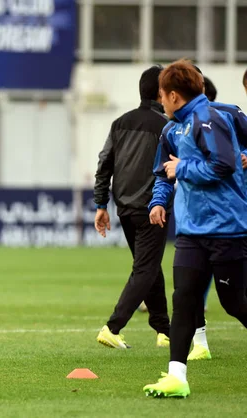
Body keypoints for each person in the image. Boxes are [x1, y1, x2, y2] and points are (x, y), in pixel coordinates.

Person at [143, 59, 247, 398]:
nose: (160, 102)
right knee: (184, 300)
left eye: (161, 95)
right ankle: (177, 378)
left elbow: (223, 165)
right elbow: (163, 172)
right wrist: (158, 201)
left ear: (173, 95)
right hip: (190, 232)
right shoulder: (171, 130)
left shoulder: (215, 117)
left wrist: (182, 168)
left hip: (227, 229)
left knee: (235, 303)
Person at [93, 64, 171, 350]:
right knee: (145, 269)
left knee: (149, 268)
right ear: (162, 92)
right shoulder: (167, 126)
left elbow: (104, 164)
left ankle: (164, 330)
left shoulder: (120, 122)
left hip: (124, 208)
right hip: (153, 207)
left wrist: (101, 204)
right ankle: (113, 326)